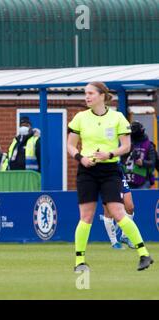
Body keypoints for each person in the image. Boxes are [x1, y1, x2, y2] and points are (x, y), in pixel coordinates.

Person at [67, 81, 153, 272]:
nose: (86, 97)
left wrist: (110, 154)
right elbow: (70, 146)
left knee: (119, 213)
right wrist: (81, 158)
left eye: (90, 93)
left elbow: (126, 146)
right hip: (87, 171)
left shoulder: (117, 118)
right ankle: (79, 262)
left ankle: (144, 254)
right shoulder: (80, 118)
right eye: (85, 93)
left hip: (110, 170)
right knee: (86, 217)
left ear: (102, 95)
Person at [122, 121, 157, 189]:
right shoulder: (125, 144)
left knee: (143, 199)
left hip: (143, 181)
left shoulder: (149, 145)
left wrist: (142, 162)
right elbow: (120, 160)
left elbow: (153, 162)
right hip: (126, 180)